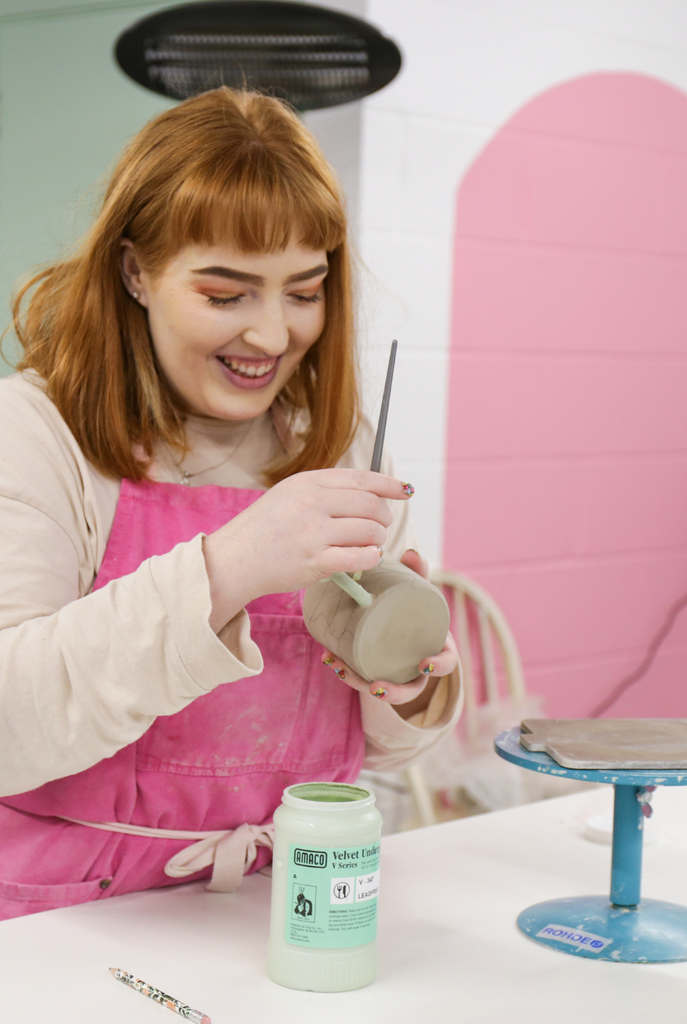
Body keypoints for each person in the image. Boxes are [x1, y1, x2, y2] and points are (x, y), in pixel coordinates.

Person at [0, 88, 461, 919]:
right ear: (135, 272)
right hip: (69, 915)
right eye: (226, 294)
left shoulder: (345, 445)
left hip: (284, 901)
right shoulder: (33, 434)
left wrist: (407, 681)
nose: (273, 337)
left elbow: (393, 750)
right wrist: (230, 568)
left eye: (304, 291)